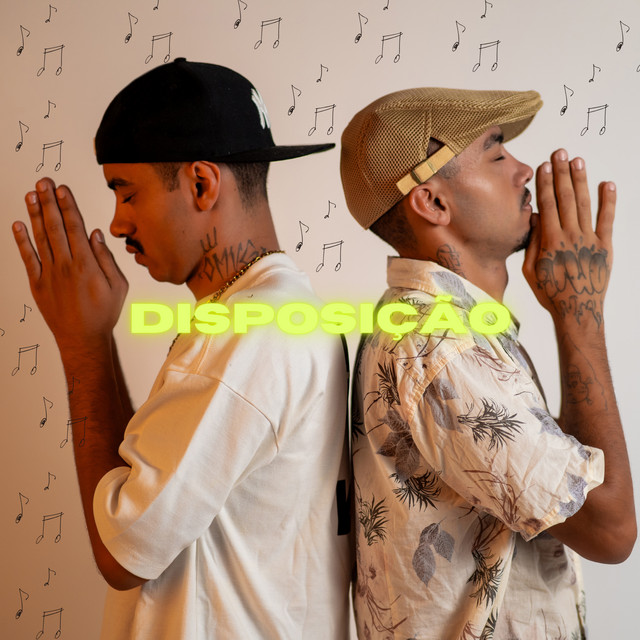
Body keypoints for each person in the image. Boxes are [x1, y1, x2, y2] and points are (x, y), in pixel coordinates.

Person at [12, 59, 352, 639]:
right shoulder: (285, 313)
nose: (116, 224)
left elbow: (123, 553)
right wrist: (94, 339)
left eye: (127, 193)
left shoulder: (243, 334)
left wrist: (81, 344)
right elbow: (143, 497)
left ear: (200, 184)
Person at [339, 87, 636, 639]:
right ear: (432, 203)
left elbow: (567, 487)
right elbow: (610, 529)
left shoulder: (441, 329)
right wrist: (580, 313)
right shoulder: (441, 346)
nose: (524, 170)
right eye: (496, 154)